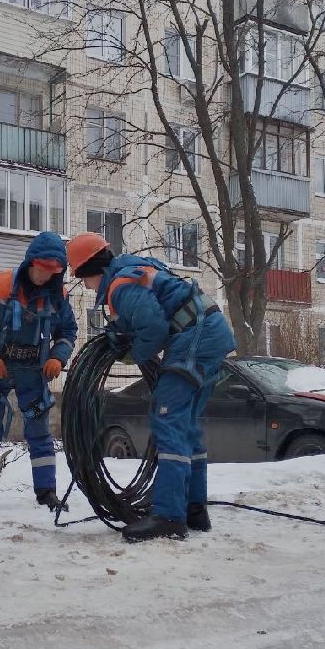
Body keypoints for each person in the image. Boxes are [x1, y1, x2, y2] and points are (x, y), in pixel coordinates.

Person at [66, 232, 235, 542]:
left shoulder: (119, 287)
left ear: (90, 271)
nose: (87, 287)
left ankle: (169, 516)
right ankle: (193, 508)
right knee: (185, 425)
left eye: (82, 278)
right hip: (210, 333)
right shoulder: (134, 268)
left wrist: (135, 353)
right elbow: (153, 309)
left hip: (195, 339)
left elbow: (154, 329)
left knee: (167, 418)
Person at [0, 231, 78, 516]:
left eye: (54, 271)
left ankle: (46, 492)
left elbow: (68, 331)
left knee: (39, 432)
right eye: (43, 268)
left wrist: (57, 357)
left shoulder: (58, 295)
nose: (46, 276)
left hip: (33, 371)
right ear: (31, 263)